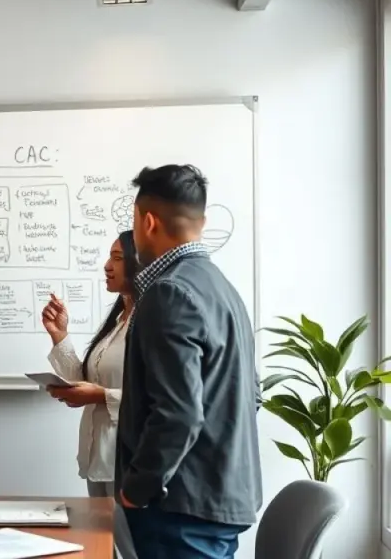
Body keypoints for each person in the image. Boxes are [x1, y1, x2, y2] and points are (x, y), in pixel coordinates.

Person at [116, 165, 262, 559]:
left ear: (147, 222)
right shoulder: (224, 289)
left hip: (180, 511)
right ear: (202, 221)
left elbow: (178, 413)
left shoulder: (169, 293)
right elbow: (253, 394)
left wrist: (136, 489)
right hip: (213, 500)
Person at [42, 230, 139, 559]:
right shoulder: (118, 321)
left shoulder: (150, 323)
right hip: (98, 453)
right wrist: (60, 337)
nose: (107, 266)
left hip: (128, 457)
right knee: (103, 548)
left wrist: (99, 396)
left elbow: (158, 399)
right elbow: (82, 381)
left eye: (117, 258)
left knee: (127, 548)